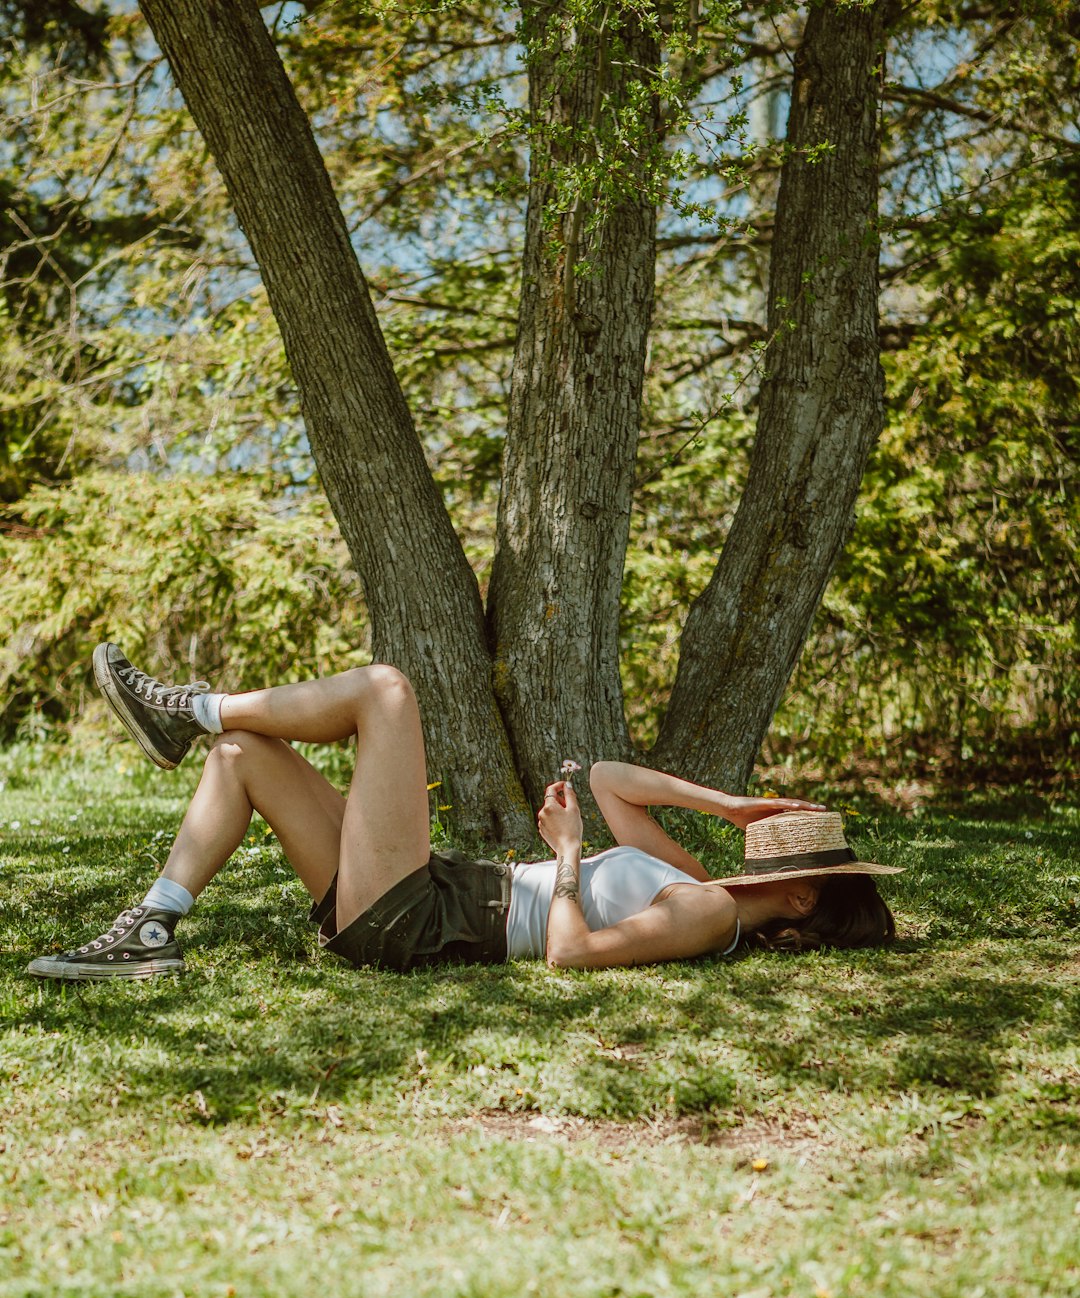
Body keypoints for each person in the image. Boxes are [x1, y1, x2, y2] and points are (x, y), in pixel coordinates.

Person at [27, 646, 901, 981]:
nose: (766, 852)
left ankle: (193, 705)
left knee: (387, 692)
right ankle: (152, 928)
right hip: (433, 893)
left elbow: (569, 953)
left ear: (801, 900)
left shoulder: (709, 916)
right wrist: (726, 802)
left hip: (430, 917)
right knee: (244, 759)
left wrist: (565, 856)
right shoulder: (698, 882)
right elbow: (607, 777)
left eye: (792, 860)